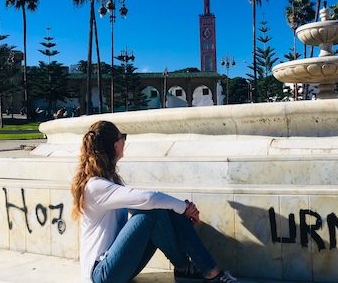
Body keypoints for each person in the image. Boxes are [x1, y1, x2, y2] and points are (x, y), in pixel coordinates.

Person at [71, 121, 238, 283]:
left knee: (161, 208)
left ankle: (187, 269)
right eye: (123, 137)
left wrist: (178, 212)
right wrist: (184, 207)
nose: (124, 142)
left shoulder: (108, 181)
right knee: (154, 211)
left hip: (116, 267)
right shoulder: (95, 186)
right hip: (101, 273)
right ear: (115, 145)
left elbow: (147, 202)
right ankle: (208, 272)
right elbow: (149, 199)